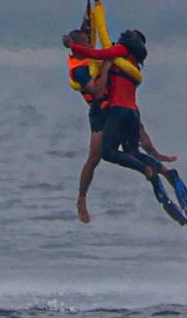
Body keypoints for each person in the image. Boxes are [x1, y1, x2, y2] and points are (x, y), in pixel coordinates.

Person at [62, 25, 180, 223]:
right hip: (101, 112)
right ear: (77, 47)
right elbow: (97, 92)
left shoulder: (95, 58)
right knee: (95, 157)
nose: (89, 45)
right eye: (84, 43)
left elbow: (98, 38)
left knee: (138, 136)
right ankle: (81, 199)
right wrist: (107, 68)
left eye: (88, 41)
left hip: (117, 107)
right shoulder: (80, 69)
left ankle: (162, 167)